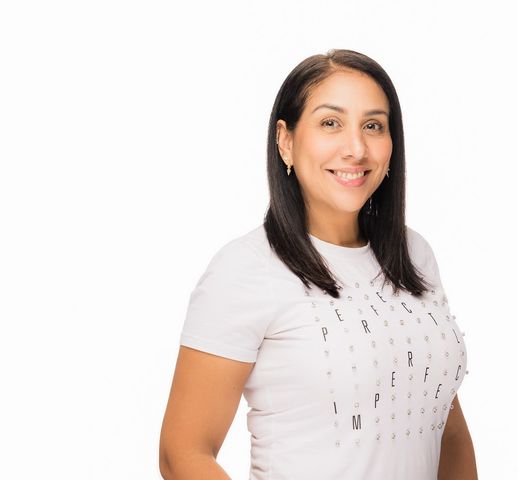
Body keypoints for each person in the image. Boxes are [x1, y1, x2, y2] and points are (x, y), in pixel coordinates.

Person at [159, 48, 477, 480]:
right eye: (331, 123)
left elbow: (443, 421)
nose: (356, 148)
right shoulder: (246, 269)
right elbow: (183, 453)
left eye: (373, 125)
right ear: (285, 140)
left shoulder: (414, 254)